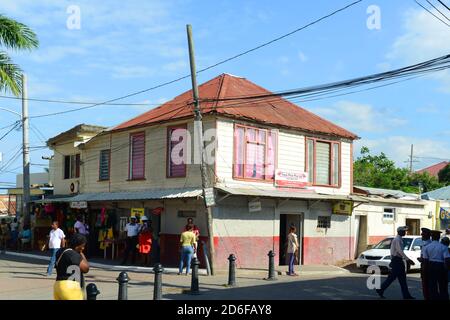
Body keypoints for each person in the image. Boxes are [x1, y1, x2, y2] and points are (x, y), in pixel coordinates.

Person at [376, 226, 416, 299]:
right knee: (396, 278)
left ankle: (406, 295)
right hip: (397, 261)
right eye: (403, 231)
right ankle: (381, 289)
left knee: (400, 278)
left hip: (397, 260)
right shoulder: (397, 239)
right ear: (399, 231)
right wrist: (408, 259)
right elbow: (400, 251)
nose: (405, 232)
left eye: (405, 231)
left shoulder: (399, 239)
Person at [53, 234, 90, 300]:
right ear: (77, 245)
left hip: (58, 285)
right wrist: (81, 253)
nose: (83, 248)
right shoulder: (72, 254)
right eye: (82, 246)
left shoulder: (61, 251)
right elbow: (86, 268)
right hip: (70, 288)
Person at [422, 230, 450, 300]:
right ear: (439, 237)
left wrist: (424, 271)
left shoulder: (427, 247)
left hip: (431, 266)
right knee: (443, 286)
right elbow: (447, 260)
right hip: (441, 266)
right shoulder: (444, 247)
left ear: (431, 237)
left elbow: (425, 261)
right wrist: (447, 269)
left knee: (432, 286)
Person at [417, 227, 432, 300]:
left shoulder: (426, 245)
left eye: (423, 234)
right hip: (429, 265)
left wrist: (420, 259)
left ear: (427, 235)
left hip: (426, 266)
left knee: (425, 284)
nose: (421, 235)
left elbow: (425, 258)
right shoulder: (428, 243)